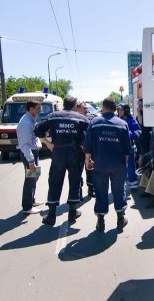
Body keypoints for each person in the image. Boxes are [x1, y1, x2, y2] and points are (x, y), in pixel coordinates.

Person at [34, 96, 89, 226]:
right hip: (75, 153)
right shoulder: (81, 118)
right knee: (75, 180)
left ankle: (52, 215)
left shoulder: (53, 116)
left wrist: (47, 143)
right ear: (75, 105)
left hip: (58, 152)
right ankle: (72, 211)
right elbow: (90, 134)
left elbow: (37, 129)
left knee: (55, 181)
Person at [85, 97, 131, 232]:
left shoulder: (95, 122)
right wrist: (125, 165)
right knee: (119, 191)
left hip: (100, 164)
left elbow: (88, 145)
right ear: (115, 108)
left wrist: (88, 161)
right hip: (118, 165)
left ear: (103, 108)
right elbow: (127, 148)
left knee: (100, 192)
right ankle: (121, 219)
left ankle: (100, 221)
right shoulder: (122, 124)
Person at [17, 100, 44, 215]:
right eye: (38, 108)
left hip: (33, 152)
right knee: (30, 179)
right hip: (29, 154)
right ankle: (27, 207)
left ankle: (31, 200)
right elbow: (25, 145)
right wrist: (31, 161)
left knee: (35, 177)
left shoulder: (31, 119)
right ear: (31, 109)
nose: (40, 110)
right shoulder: (26, 123)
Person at [117, 103, 142, 192]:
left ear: (126, 110)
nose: (119, 111)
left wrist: (129, 134)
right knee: (119, 167)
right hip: (118, 148)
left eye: (121, 110)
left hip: (129, 147)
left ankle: (133, 185)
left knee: (131, 167)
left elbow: (139, 131)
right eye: (118, 110)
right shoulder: (116, 120)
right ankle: (120, 186)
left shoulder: (131, 120)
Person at [75, 102, 94, 198]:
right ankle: (79, 193)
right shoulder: (74, 119)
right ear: (77, 108)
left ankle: (91, 189)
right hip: (77, 150)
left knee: (90, 170)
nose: (86, 110)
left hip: (88, 150)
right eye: (84, 108)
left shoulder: (89, 118)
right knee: (78, 171)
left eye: (87, 108)